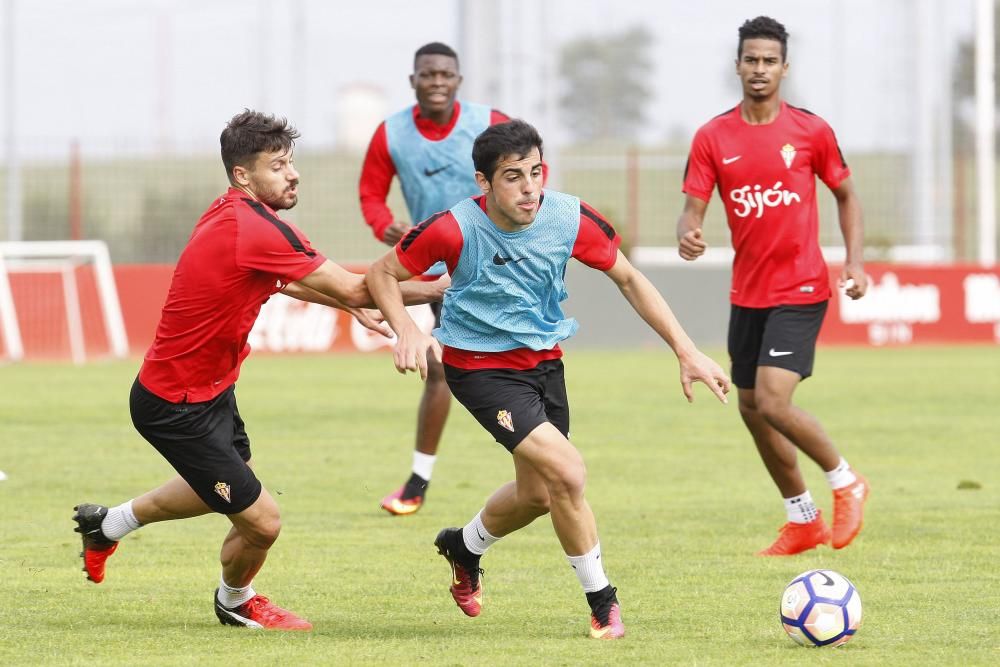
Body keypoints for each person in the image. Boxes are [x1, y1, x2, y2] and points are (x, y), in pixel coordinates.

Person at [72, 110, 445, 631]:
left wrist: (351, 303)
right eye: (277, 165)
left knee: (221, 485)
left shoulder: (233, 213)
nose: (292, 174)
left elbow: (286, 281)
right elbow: (361, 286)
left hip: (208, 390)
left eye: (291, 162)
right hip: (175, 404)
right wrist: (435, 288)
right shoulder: (255, 226)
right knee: (263, 522)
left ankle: (107, 525)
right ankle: (236, 600)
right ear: (243, 175)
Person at [367, 119, 731, 639]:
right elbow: (381, 274)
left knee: (537, 494)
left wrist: (686, 349)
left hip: (544, 365)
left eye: (536, 172)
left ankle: (463, 546)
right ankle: (603, 604)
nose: (529, 187)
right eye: (513, 176)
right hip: (479, 369)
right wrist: (405, 330)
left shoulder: (568, 217)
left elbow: (627, 277)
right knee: (568, 473)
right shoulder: (453, 227)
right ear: (483, 182)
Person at [676, 16, 870, 556]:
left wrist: (854, 262)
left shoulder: (810, 131)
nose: (759, 69)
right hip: (748, 294)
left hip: (802, 287)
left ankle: (845, 480)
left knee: (773, 401)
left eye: (769, 60)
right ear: (737, 64)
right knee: (749, 408)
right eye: (750, 59)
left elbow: (847, 195)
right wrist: (688, 234)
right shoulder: (713, 136)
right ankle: (802, 518)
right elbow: (691, 209)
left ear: (785, 67)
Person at [359, 42, 514, 516]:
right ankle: (418, 482)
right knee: (444, 369)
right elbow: (370, 194)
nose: (437, 82)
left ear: (459, 81)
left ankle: (544, 463)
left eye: (446, 74)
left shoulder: (490, 122)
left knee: (510, 363)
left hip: (498, 260)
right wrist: (384, 223)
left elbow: (532, 173)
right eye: (428, 74)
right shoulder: (392, 133)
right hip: (436, 270)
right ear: (413, 81)